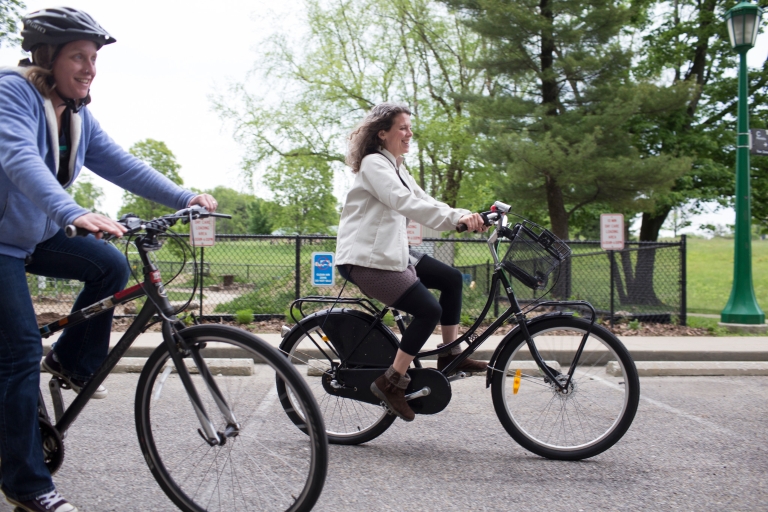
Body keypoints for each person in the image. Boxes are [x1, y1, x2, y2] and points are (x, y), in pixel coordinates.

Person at [0, 7, 218, 512]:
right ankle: (27, 485)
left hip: (33, 236)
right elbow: (17, 158)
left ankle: (70, 360)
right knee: (15, 356)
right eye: (78, 56)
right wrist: (72, 210)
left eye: (94, 58)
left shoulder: (77, 116)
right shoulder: (13, 93)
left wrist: (185, 197)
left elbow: (122, 164)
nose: (90, 67)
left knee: (110, 266)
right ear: (47, 57)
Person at [335, 102, 488, 423]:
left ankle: (450, 357)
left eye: (409, 127)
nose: (409, 133)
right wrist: (455, 221)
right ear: (383, 133)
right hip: (366, 260)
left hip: (391, 253)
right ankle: (391, 382)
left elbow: (425, 200)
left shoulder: (397, 166)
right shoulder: (375, 164)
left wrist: (462, 215)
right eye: (402, 127)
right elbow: (405, 203)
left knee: (451, 279)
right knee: (428, 310)